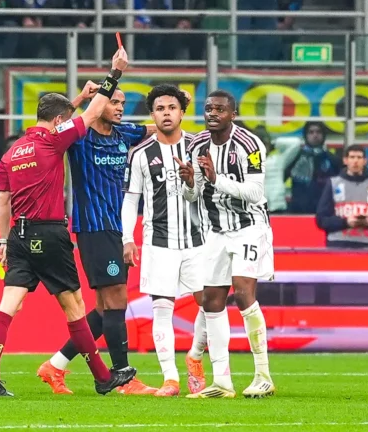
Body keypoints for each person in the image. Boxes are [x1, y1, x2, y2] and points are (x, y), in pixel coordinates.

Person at [0, 47, 136, 397]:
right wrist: (115, 73)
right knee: (75, 307)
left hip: (17, 236)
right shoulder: (53, 141)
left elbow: (2, 200)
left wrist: (2, 242)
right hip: (49, 233)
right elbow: (92, 114)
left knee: (8, 307)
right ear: (57, 122)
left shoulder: (11, 153)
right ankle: (102, 376)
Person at [36, 81, 161, 395]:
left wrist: (175, 109)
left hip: (117, 228)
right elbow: (58, 125)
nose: (119, 108)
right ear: (99, 104)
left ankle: (55, 365)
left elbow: (157, 128)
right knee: (116, 300)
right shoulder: (79, 137)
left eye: (122, 103)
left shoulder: (123, 134)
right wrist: (82, 98)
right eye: (113, 102)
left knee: (106, 309)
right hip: (94, 227)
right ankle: (124, 379)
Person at [182, 90, 275, 399]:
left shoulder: (250, 144)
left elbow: (255, 193)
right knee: (211, 300)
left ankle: (263, 375)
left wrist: (216, 179)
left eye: (220, 109)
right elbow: (193, 195)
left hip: (249, 226)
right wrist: (189, 183)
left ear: (232, 115)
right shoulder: (196, 144)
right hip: (216, 230)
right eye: (209, 108)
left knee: (243, 292)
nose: (213, 113)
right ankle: (222, 382)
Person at [120, 84, 208, 397]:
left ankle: (195, 356)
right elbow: (131, 199)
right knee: (162, 308)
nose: (166, 114)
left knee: (210, 304)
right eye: (160, 109)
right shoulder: (140, 154)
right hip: (158, 241)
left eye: (172, 108)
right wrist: (127, 238)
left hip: (199, 240)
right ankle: (170, 378)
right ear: (153, 115)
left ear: (182, 113)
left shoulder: (199, 147)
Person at [317, 145, 368, 248]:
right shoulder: (333, 183)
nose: (355, 161)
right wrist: (346, 222)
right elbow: (321, 220)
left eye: (359, 157)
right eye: (352, 157)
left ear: (365, 161)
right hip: (339, 243)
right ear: (345, 160)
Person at [287, 121, 341, 214]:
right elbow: (281, 177)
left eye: (318, 132)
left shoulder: (332, 159)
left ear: (323, 135)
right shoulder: (295, 157)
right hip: (298, 209)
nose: (315, 135)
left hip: (325, 209)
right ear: (305, 135)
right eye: (311, 132)